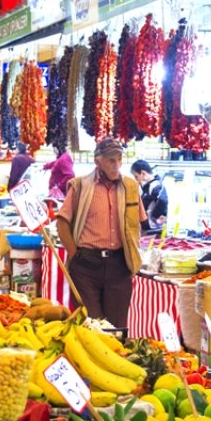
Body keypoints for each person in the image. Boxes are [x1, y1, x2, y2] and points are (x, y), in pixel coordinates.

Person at [55, 138, 146, 328]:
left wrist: (134, 256)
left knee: (117, 326)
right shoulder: (80, 186)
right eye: (111, 160)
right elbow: (62, 221)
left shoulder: (130, 187)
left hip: (120, 265)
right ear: (98, 161)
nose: (116, 165)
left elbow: (137, 223)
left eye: (119, 159)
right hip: (86, 264)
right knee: (90, 323)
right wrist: (74, 254)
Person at [130, 160, 168, 233]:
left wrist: (156, 216)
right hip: (149, 227)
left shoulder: (155, 185)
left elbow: (162, 200)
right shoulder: (147, 186)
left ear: (143, 173)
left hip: (153, 228)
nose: (136, 179)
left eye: (136, 176)